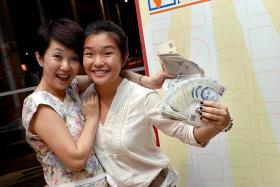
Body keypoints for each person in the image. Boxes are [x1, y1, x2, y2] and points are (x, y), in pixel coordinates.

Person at [82, 20, 232, 187]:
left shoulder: (143, 97)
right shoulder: (83, 98)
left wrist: (220, 125)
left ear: (123, 57)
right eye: (89, 54)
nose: (97, 62)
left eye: (107, 53)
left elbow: (189, 134)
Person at [21, 18, 169, 186]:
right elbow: (76, 161)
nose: (66, 66)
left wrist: (146, 81)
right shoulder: (40, 104)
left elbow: (105, 74)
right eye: (57, 57)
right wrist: (92, 118)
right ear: (40, 58)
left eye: (74, 58)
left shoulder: (70, 87)